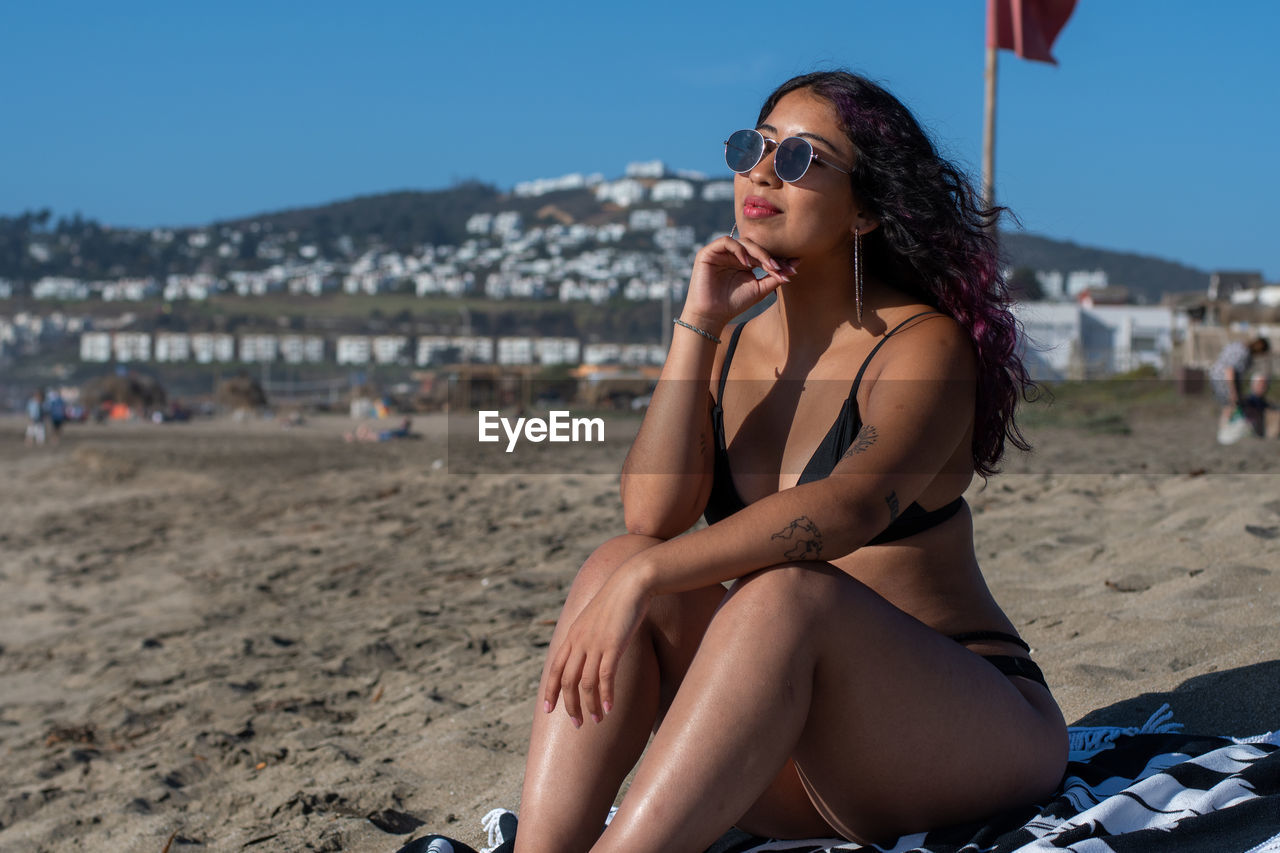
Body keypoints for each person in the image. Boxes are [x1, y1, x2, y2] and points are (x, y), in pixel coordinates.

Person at [513, 71, 1067, 853]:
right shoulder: (733, 340)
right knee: (617, 558)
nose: (763, 172)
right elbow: (651, 517)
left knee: (781, 595)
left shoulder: (922, 347)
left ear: (869, 208)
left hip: (956, 731)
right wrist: (696, 324)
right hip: (794, 748)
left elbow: (845, 510)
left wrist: (652, 575)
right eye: (754, 147)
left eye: (804, 159)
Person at [1210, 336, 1271, 434]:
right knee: (1231, 404)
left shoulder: (1237, 345)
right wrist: (1233, 391)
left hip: (1217, 375)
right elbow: (1229, 369)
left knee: (1229, 405)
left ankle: (1225, 428)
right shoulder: (1244, 352)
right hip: (1225, 379)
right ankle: (1225, 429)